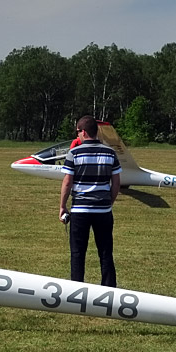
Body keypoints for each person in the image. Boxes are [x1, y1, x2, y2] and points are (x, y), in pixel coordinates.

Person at [58, 115, 121, 287]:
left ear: (83, 132)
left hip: (80, 211)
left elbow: (67, 181)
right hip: (103, 211)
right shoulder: (110, 153)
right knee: (106, 252)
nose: (77, 135)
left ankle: (77, 289)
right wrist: (109, 202)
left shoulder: (74, 153)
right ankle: (109, 289)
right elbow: (116, 182)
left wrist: (62, 206)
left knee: (78, 252)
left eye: (78, 131)